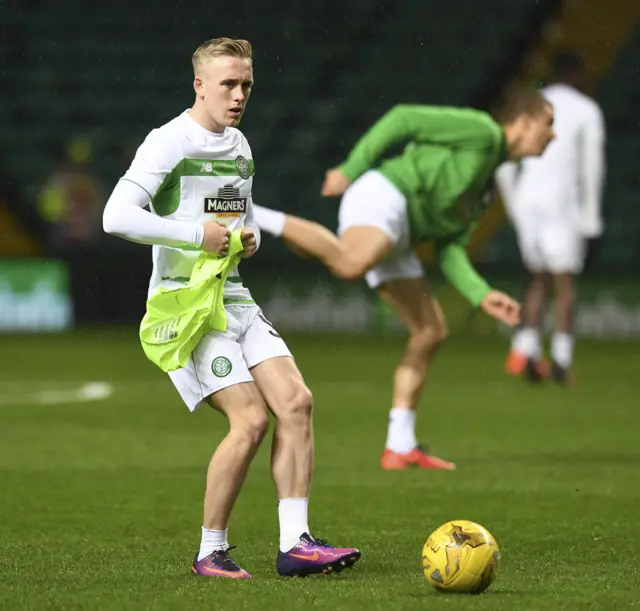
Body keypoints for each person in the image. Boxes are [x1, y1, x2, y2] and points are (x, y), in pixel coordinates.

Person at [102, 37, 360, 579]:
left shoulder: (240, 146)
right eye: (228, 84)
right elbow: (116, 216)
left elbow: (240, 218)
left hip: (233, 297)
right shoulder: (167, 142)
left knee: (296, 402)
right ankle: (209, 552)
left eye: (246, 85)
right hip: (186, 306)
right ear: (199, 84)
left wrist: (249, 238)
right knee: (249, 420)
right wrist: (198, 234)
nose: (239, 95)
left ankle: (296, 545)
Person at [253, 89, 555, 470]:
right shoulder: (482, 132)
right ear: (524, 122)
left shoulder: (485, 187)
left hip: (402, 231)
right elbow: (403, 117)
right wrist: (351, 167)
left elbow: (449, 247)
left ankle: (400, 445)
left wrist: (481, 294)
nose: (553, 134)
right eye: (549, 123)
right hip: (385, 195)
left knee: (430, 331)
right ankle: (250, 211)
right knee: (350, 264)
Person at [498, 51, 606, 386]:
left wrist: (515, 207)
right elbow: (592, 163)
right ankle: (561, 359)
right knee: (564, 284)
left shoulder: (530, 103)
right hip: (562, 203)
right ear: (576, 74)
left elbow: (503, 160)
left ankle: (527, 350)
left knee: (537, 280)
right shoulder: (586, 110)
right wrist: (590, 214)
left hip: (528, 201)